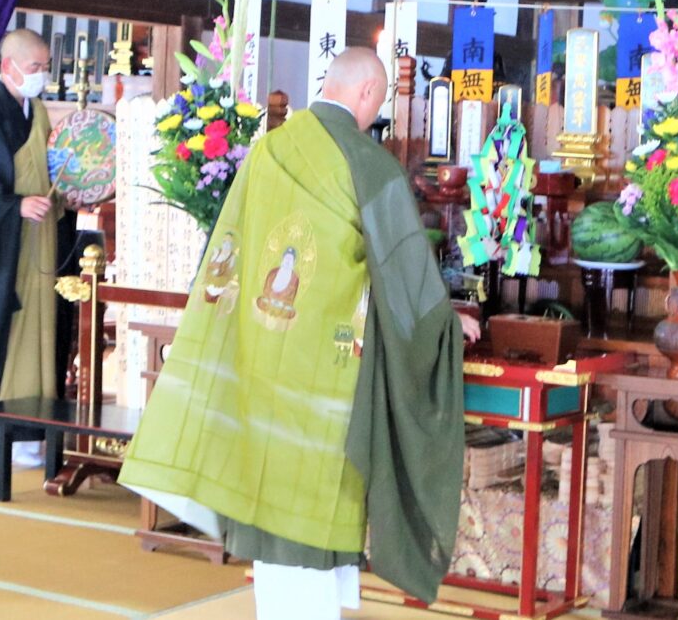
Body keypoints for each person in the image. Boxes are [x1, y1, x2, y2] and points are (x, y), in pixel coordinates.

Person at [119, 48, 466, 620]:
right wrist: (446, 323)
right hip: (327, 372)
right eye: (376, 102)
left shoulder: (269, 149)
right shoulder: (367, 162)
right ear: (366, 94)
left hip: (261, 352)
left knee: (269, 485)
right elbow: (405, 273)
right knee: (315, 491)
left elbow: (228, 247)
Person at [0, 29, 60, 466]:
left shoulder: (37, 110)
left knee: (40, 327)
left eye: (45, 67)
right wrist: (15, 206)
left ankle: (28, 429)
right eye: (35, 68)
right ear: (8, 66)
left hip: (38, 237)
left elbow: (52, 167)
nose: (42, 75)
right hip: (6, 239)